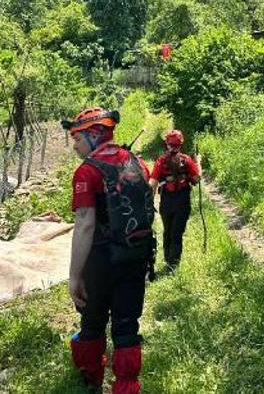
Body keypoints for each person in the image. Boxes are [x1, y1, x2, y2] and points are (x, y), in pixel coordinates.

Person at [64, 107, 153, 394]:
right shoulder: (138, 163)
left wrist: (74, 277)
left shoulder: (87, 171)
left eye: (76, 139)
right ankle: (127, 387)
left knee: (92, 323)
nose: (75, 146)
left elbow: (84, 226)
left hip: (100, 262)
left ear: (93, 135)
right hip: (136, 255)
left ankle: (91, 380)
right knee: (127, 326)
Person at [149, 129, 200, 272]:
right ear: (181, 143)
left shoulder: (161, 161)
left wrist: (149, 201)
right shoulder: (187, 160)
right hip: (183, 200)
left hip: (166, 200)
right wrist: (199, 163)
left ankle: (167, 259)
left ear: (167, 144)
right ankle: (173, 264)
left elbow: (153, 183)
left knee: (167, 230)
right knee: (177, 232)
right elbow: (197, 179)